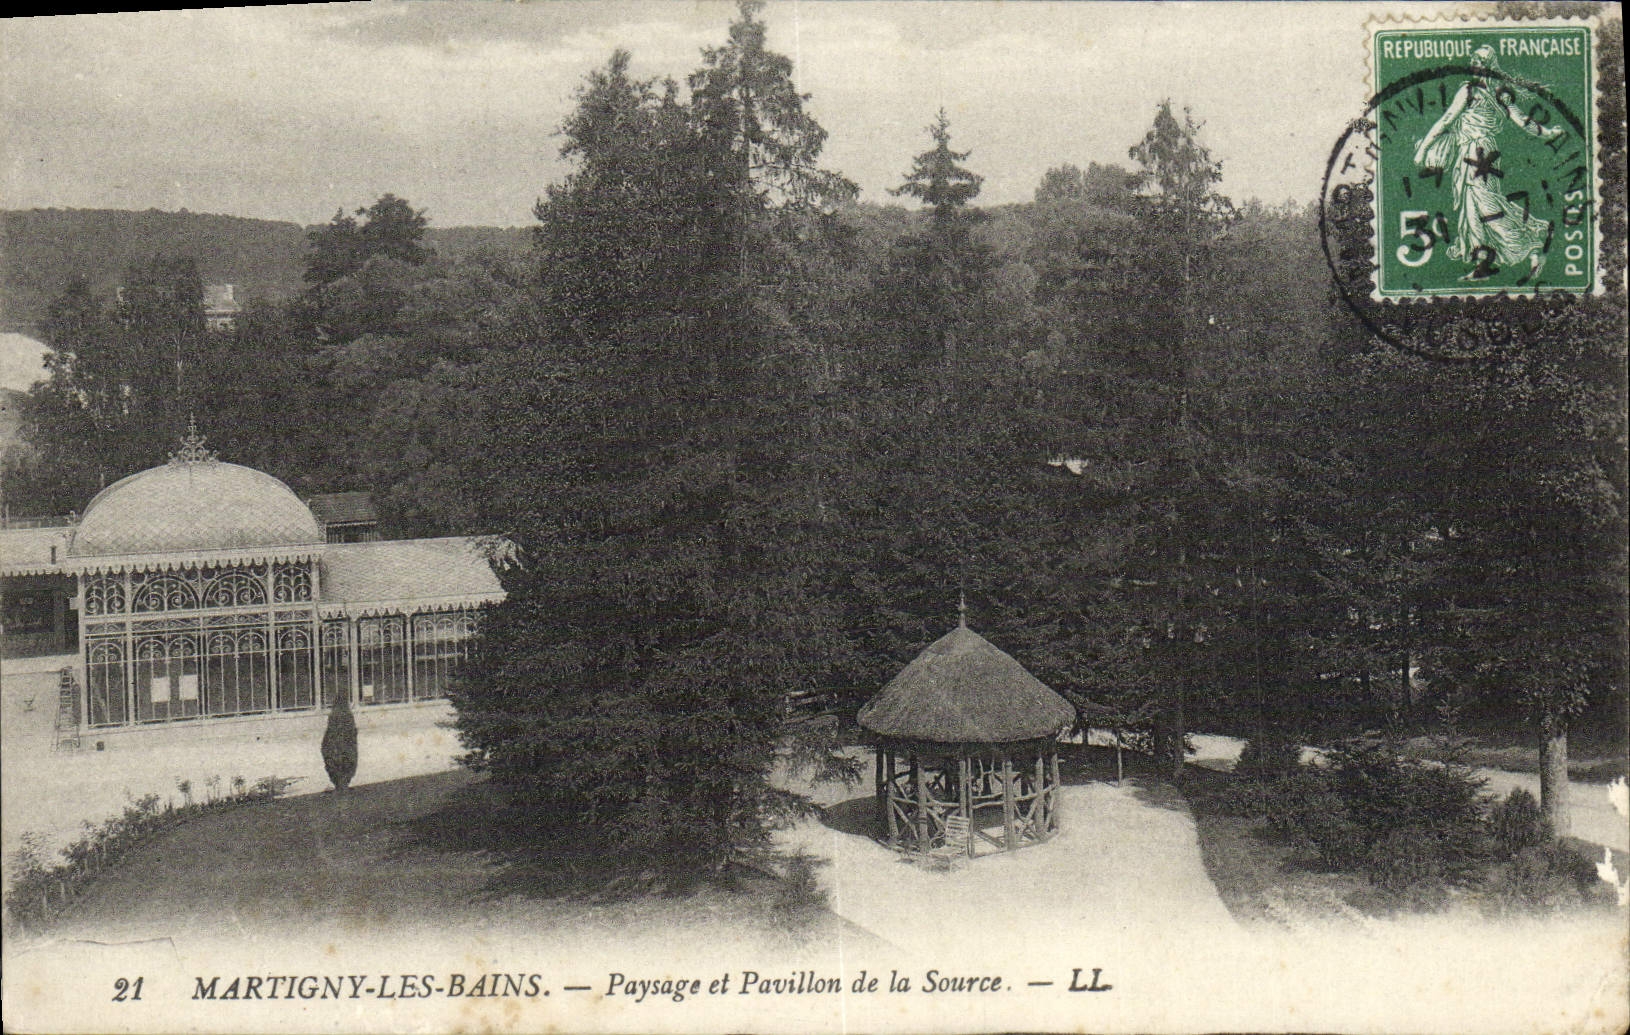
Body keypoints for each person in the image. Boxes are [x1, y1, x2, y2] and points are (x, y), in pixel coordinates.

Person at [1413, 45, 1564, 282]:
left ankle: (1532, 245)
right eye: (1473, 60)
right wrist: (1548, 133)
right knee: (1474, 207)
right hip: (1483, 153)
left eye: (1478, 61)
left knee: (1485, 206)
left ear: (1487, 65)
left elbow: (1446, 120)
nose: (1473, 64)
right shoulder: (1497, 94)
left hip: (1476, 153)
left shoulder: (1472, 91)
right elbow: (1522, 121)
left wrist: (1423, 149)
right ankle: (1483, 263)